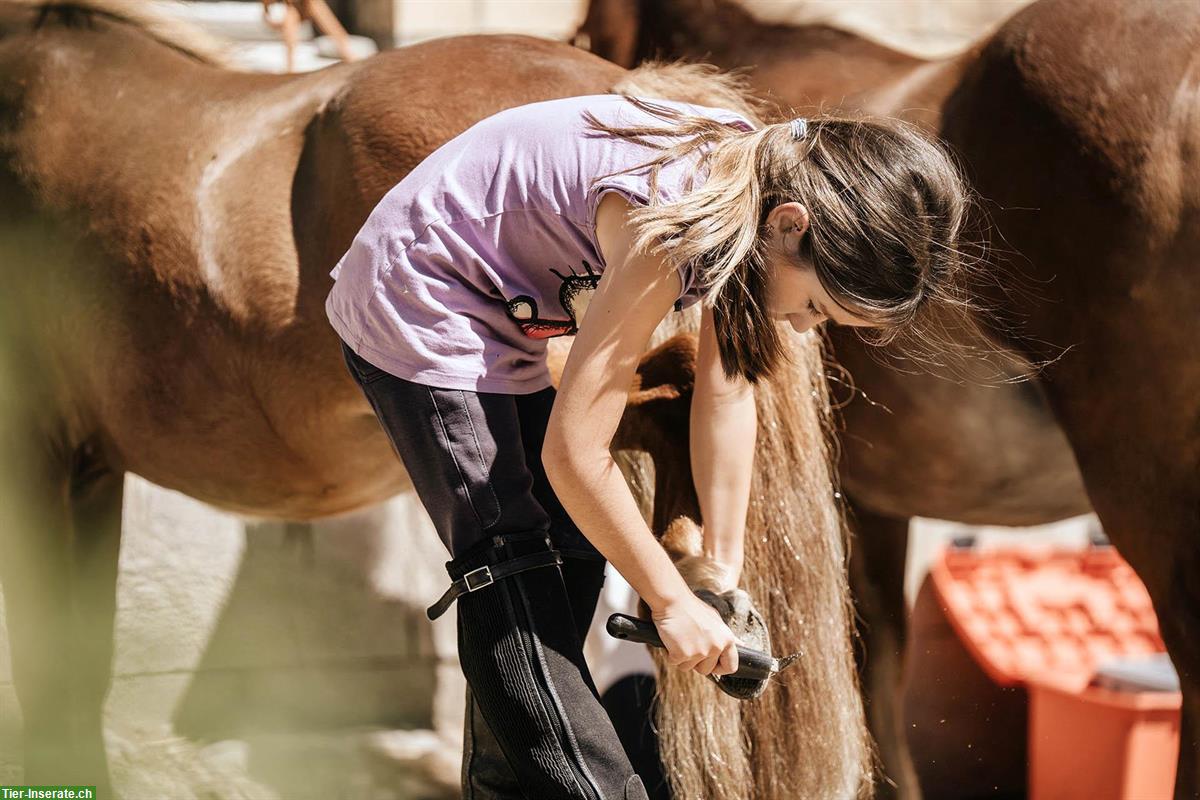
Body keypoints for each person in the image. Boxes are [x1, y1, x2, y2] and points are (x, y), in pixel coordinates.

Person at [325, 92, 971, 799]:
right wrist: (667, 601)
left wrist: (717, 573)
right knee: (507, 561)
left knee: (571, 553)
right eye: (816, 304)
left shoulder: (761, 190)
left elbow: (727, 392)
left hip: (498, 317)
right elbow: (574, 455)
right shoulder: (669, 231)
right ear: (793, 227)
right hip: (419, 295)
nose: (807, 326)